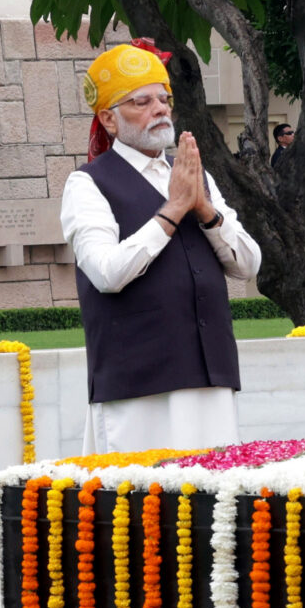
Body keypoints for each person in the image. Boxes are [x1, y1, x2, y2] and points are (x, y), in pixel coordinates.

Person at [60, 40, 262, 453]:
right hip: (138, 386)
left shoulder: (194, 176)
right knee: (142, 511)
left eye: (163, 99)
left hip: (210, 376)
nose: (160, 109)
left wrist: (203, 208)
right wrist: (172, 211)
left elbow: (248, 264)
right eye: (141, 101)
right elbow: (107, 273)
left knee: (211, 506)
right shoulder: (87, 184)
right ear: (109, 120)